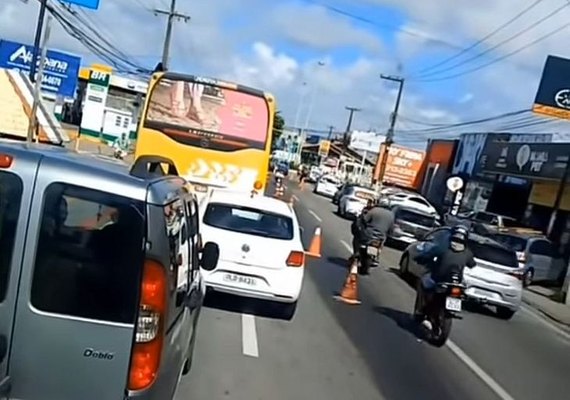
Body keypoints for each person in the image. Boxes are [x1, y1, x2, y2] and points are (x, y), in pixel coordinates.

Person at [414, 225, 476, 325]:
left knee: (423, 282)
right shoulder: (467, 252)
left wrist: (419, 258)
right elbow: (472, 264)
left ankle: (420, 311)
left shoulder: (443, 247)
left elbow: (428, 255)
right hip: (457, 281)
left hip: (438, 278)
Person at [350, 198, 394, 271]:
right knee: (380, 245)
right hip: (380, 238)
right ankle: (375, 257)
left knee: (357, 239)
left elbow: (364, 220)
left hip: (368, 234)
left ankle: (357, 253)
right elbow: (391, 229)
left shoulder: (374, 211)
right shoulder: (391, 215)